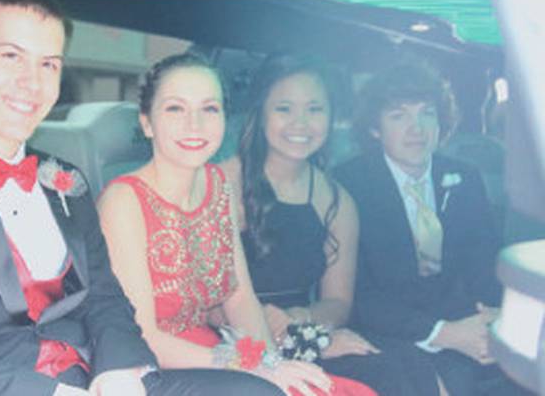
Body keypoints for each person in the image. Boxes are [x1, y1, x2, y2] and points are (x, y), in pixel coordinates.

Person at [0, 0, 284, 396]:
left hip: (99, 375)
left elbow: (104, 298)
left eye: (49, 65)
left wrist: (121, 368)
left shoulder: (66, 181)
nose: (32, 83)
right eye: (11, 57)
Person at [98, 52, 378, 396]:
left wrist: (274, 365)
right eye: (175, 109)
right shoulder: (123, 200)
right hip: (153, 367)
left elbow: (239, 296)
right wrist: (249, 366)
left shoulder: (217, 185)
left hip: (216, 353)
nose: (195, 125)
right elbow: (142, 336)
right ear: (146, 122)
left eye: (209, 109)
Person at [221, 53, 442, 395]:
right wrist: (300, 339)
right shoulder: (220, 184)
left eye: (315, 109)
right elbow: (204, 305)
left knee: (408, 369)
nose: (301, 124)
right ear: (260, 113)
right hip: (229, 341)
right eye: (284, 109)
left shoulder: (336, 200)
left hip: (301, 333)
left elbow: (338, 304)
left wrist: (303, 324)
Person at [334, 61, 530, 396]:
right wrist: (443, 333)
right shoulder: (348, 185)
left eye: (427, 113)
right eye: (399, 116)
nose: (417, 129)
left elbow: (484, 261)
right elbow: (358, 295)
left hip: (463, 319)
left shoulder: (464, 177)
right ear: (375, 128)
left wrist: (495, 313)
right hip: (388, 331)